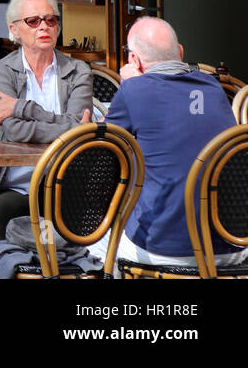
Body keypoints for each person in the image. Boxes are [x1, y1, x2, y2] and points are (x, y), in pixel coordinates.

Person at [88, 17, 248, 271]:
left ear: (134, 61)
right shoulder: (213, 88)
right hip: (232, 243)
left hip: (164, 249)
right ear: (180, 53)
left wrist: (131, 83)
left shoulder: (133, 91)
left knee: (91, 242)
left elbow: (100, 153)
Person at [0, 0, 93, 247]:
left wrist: (21, 108)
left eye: (51, 20)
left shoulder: (78, 71)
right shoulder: (3, 72)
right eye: (33, 21)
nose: (44, 27)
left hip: (66, 179)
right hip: (18, 182)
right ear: (14, 29)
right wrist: (66, 128)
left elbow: (81, 130)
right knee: (3, 211)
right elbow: (15, 131)